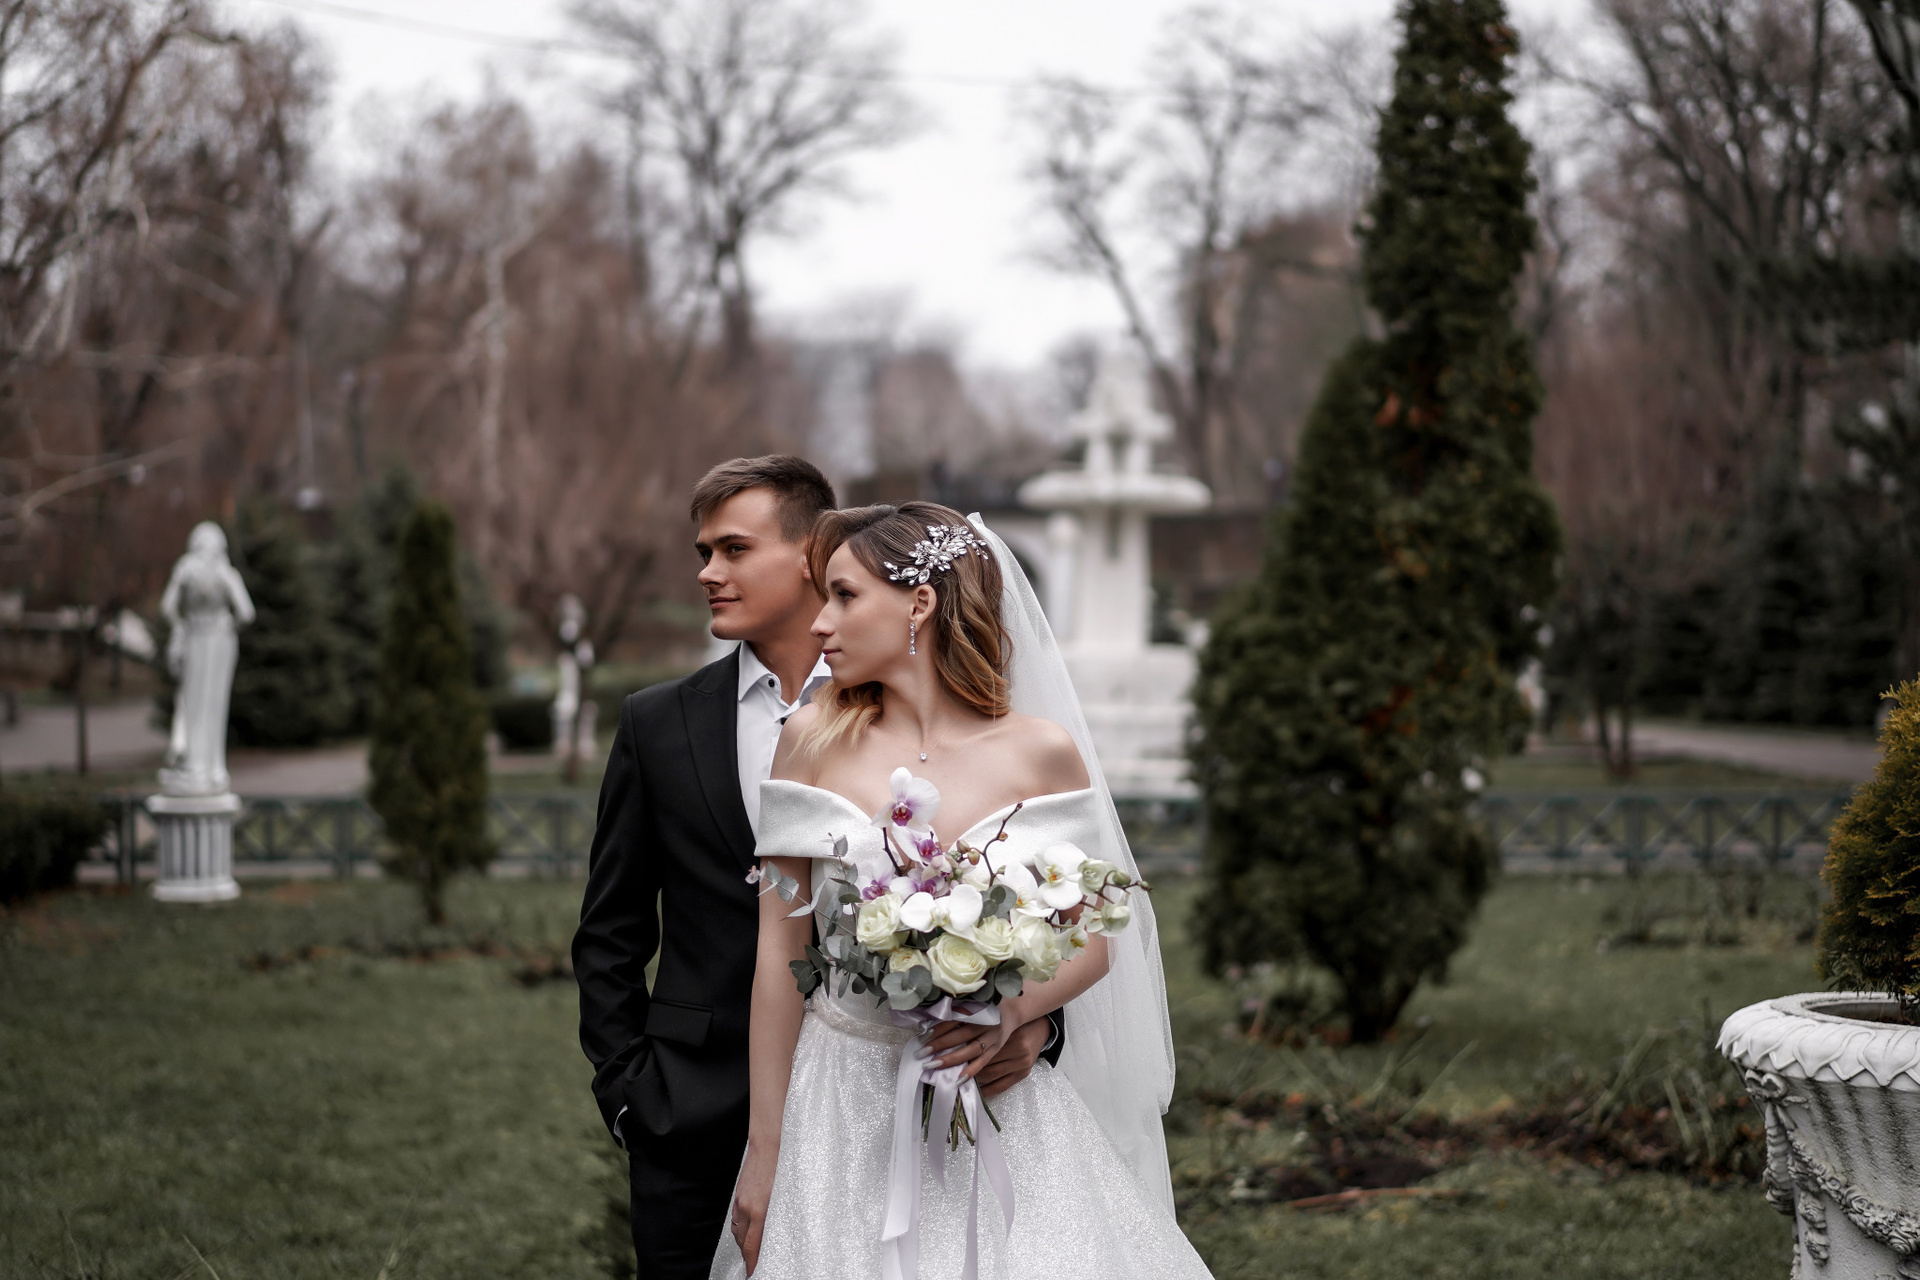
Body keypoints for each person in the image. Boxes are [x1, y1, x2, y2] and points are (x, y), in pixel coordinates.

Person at [573, 460, 1064, 1279]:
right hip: (693, 1110)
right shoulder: (657, 723)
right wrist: (632, 1098)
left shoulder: (961, 725)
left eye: (733, 548)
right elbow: (609, 930)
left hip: (910, 1096)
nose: (708, 572)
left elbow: (1031, 888)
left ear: (810, 558)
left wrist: (1029, 1022)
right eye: (703, 552)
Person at [714, 502, 1212, 1280]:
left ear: (919, 603)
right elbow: (780, 953)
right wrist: (765, 1150)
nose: (819, 623)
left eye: (844, 596)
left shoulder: (1040, 752)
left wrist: (1008, 1015)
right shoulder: (809, 740)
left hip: (995, 1097)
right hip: (840, 1098)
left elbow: (1093, 941)